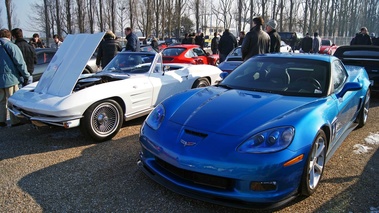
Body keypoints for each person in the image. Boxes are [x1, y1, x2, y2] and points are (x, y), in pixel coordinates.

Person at [0, 28, 30, 127]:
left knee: (1, 101)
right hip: (10, 78)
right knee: (12, 100)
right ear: (9, 36)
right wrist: (26, 75)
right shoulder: (11, 46)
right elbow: (20, 62)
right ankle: (15, 120)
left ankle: (1, 120)